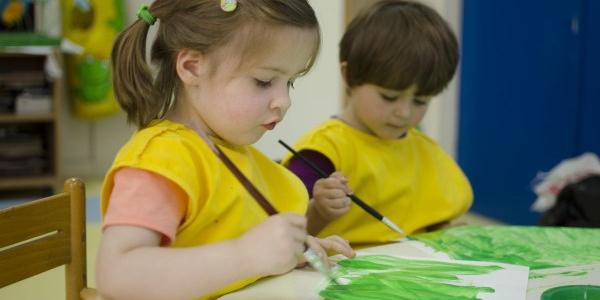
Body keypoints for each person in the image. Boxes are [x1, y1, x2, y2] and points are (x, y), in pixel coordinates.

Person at [96, 1, 354, 299]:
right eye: (264, 81)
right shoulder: (162, 158)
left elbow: (225, 241)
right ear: (193, 67)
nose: (283, 101)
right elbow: (117, 275)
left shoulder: (232, 150)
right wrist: (246, 256)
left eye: (290, 83)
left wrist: (289, 250)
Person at [283, 0, 473, 245]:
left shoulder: (425, 151)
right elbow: (284, 236)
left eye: (420, 101)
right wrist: (319, 211)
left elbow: (437, 220)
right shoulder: (322, 151)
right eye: (389, 97)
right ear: (349, 76)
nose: (404, 113)